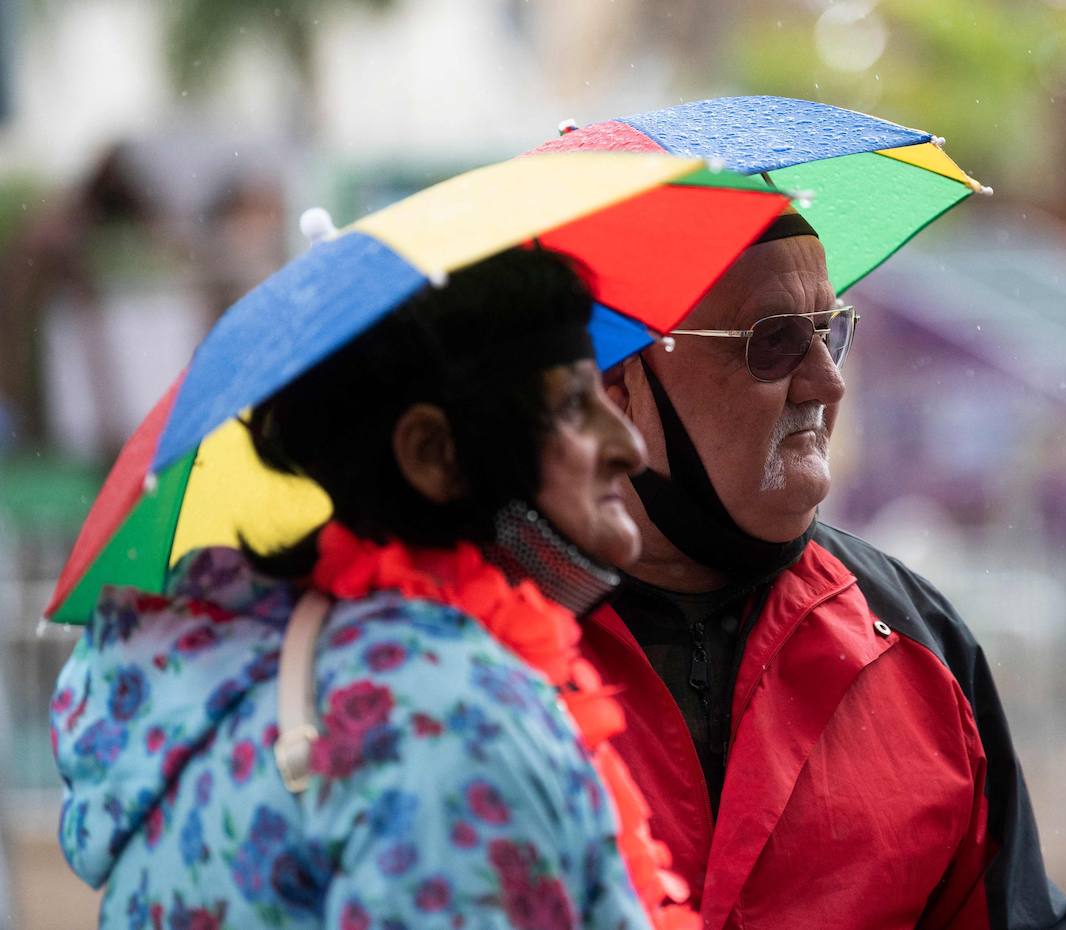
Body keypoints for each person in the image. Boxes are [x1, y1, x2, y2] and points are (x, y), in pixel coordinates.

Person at [51, 247, 695, 929]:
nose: (630, 446)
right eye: (572, 405)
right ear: (433, 454)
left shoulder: (267, 670)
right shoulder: (450, 718)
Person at [580, 212, 1066, 929]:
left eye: (830, 332)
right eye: (773, 341)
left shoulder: (914, 637)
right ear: (618, 382)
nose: (826, 382)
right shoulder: (478, 661)